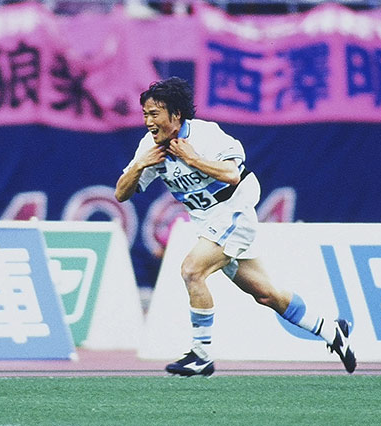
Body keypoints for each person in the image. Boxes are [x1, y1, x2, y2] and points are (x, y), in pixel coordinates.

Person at [115, 77, 356, 376]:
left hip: (234, 209)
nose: (149, 122)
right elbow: (121, 194)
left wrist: (193, 158)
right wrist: (140, 165)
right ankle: (331, 330)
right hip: (207, 221)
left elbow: (232, 174)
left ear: (176, 114)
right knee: (266, 294)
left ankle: (201, 355)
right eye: (145, 114)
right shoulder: (149, 147)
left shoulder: (206, 135)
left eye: (155, 114)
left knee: (192, 270)